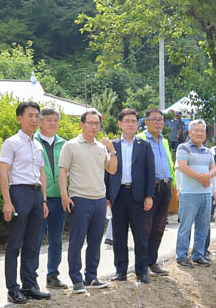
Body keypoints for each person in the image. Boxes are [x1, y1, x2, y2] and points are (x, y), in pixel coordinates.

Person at [0, 101, 51, 303]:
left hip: (37, 194)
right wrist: (7, 201)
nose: (34, 120)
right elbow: (3, 172)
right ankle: (13, 289)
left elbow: (41, 173)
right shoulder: (11, 143)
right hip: (19, 192)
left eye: (37, 116)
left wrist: (44, 200)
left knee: (33, 243)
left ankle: (30, 285)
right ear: (19, 118)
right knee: (15, 243)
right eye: (30, 115)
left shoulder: (37, 144)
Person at [59, 109, 117, 292]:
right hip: (79, 198)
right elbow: (63, 171)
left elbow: (112, 170)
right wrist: (64, 195)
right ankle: (76, 279)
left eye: (97, 123)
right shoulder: (70, 145)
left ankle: (91, 276)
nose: (94, 127)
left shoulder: (101, 147)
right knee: (76, 241)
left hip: (99, 199)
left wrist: (112, 151)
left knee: (95, 241)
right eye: (90, 123)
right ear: (81, 125)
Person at [105, 108, 156, 283]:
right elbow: (106, 172)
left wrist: (149, 195)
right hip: (118, 195)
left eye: (133, 121)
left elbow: (150, 172)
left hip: (138, 196)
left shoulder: (144, 145)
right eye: (127, 121)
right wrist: (107, 196)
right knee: (119, 236)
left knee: (140, 235)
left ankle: (142, 271)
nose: (130, 124)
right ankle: (121, 271)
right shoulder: (112, 146)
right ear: (120, 124)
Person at [173, 119, 216, 266]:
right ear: (190, 132)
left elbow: (214, 169)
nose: (199, 133)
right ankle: (181, 256)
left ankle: (198, 254)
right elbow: (183, 167)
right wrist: (201, 178)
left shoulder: (208, 151)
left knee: (203, 226)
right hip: (189, 194)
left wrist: (207, 177)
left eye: (202, 131)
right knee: (185, 226)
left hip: (205, 194)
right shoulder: (183, 148)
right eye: (196, 130)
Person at [36, 108, 70, 289]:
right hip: (39, 197)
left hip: (60, 197)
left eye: (56, 120)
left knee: (56, 240)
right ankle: (31, 278)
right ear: (40, 122)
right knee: (35, 239)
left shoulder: (64, 144)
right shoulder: (32, 141)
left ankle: (53, 276)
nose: (53, 123)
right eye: (48, 119)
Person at [140, 109, 174, 277]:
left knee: (159, 226)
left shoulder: (164, 140)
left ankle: (152, 261)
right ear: (146, 122)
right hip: (150, 188)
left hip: (166, 185)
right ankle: (142, 263)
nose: (157, 122)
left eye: (160, 119)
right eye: (153, 119)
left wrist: (173, 183)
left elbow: (168, 163)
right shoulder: (140, 140)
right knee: (145, 227)